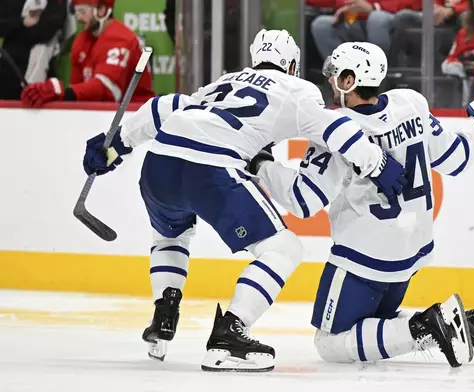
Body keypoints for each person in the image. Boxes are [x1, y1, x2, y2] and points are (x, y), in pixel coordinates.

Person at [81, 29, 407, 372]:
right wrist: (376, 162)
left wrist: (115, 145)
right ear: (292, 65)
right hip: (211, 167)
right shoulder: (297, 89)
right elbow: (334, 128)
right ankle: (230, 334)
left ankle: (164, 312)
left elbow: (165, 106)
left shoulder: (227, 80)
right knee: (283, 249)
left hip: (159, 163)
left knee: (170, 236)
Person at [246, 42, 474, 366]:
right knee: (375, 327)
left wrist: (260, 166)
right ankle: (463, 325)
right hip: (411, 252)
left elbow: (302, 201)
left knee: (329, 343)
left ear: (348, 81)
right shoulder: (410, 103)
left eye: (335, 75)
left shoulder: (336, 129)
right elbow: (457, 157)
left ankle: (428, 324)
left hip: (362, 258)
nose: (329, 81)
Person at [20, 0, 155, 107]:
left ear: (101, 10)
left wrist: (62, 92)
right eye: (76, 11)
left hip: (135, 115)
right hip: (106, 114)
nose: (78, 17)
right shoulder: (82, 40)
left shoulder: (122, 39)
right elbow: (78, 88)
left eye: (83, 11)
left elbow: (106, 90)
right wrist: (61, 93)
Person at [0, 0, 68, 100]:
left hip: (42, 66)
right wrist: (22, 22)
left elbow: (50, 27)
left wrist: (16, 31)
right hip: (8, 69)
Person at [308, 0, 421, 59]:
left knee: (376, 18)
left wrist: (374, 8)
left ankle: (376, 79)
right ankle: (343, 78)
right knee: (321, 25)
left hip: (393, 18)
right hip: (353, 18)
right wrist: (347, 6)